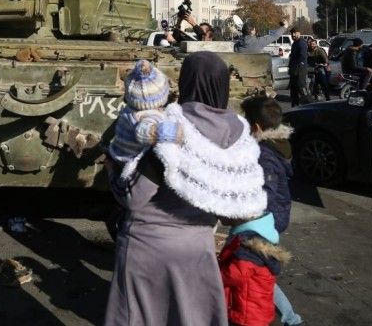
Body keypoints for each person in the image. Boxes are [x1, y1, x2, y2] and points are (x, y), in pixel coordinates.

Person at [104, 52, 266, 326]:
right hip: (198, 250)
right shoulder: (239, 134)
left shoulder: (168, 127)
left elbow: (134, 197)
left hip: (148, 248)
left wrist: (112, 168)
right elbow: (233, 210)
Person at [241, 96, 302, 326]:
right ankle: (290, 318)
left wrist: (247, 212)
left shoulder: (264, 154)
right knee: (261, 273)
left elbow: (265, 191)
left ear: (256, 127)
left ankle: (291, 319)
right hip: (271, 218)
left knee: (258, 272)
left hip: (263, 221)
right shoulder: (277, 145)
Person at [288, 29, 309, 107]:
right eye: (292, 33)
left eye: (295, 33)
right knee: (293, 91)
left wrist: (296, 67)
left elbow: (302, 57)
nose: (293, 35)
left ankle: (310, 105)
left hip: (299, 71)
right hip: (293, 71)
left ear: (299, 33)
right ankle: (294, 107)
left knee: (301, 88)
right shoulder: (294, 43)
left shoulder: (301, 43)